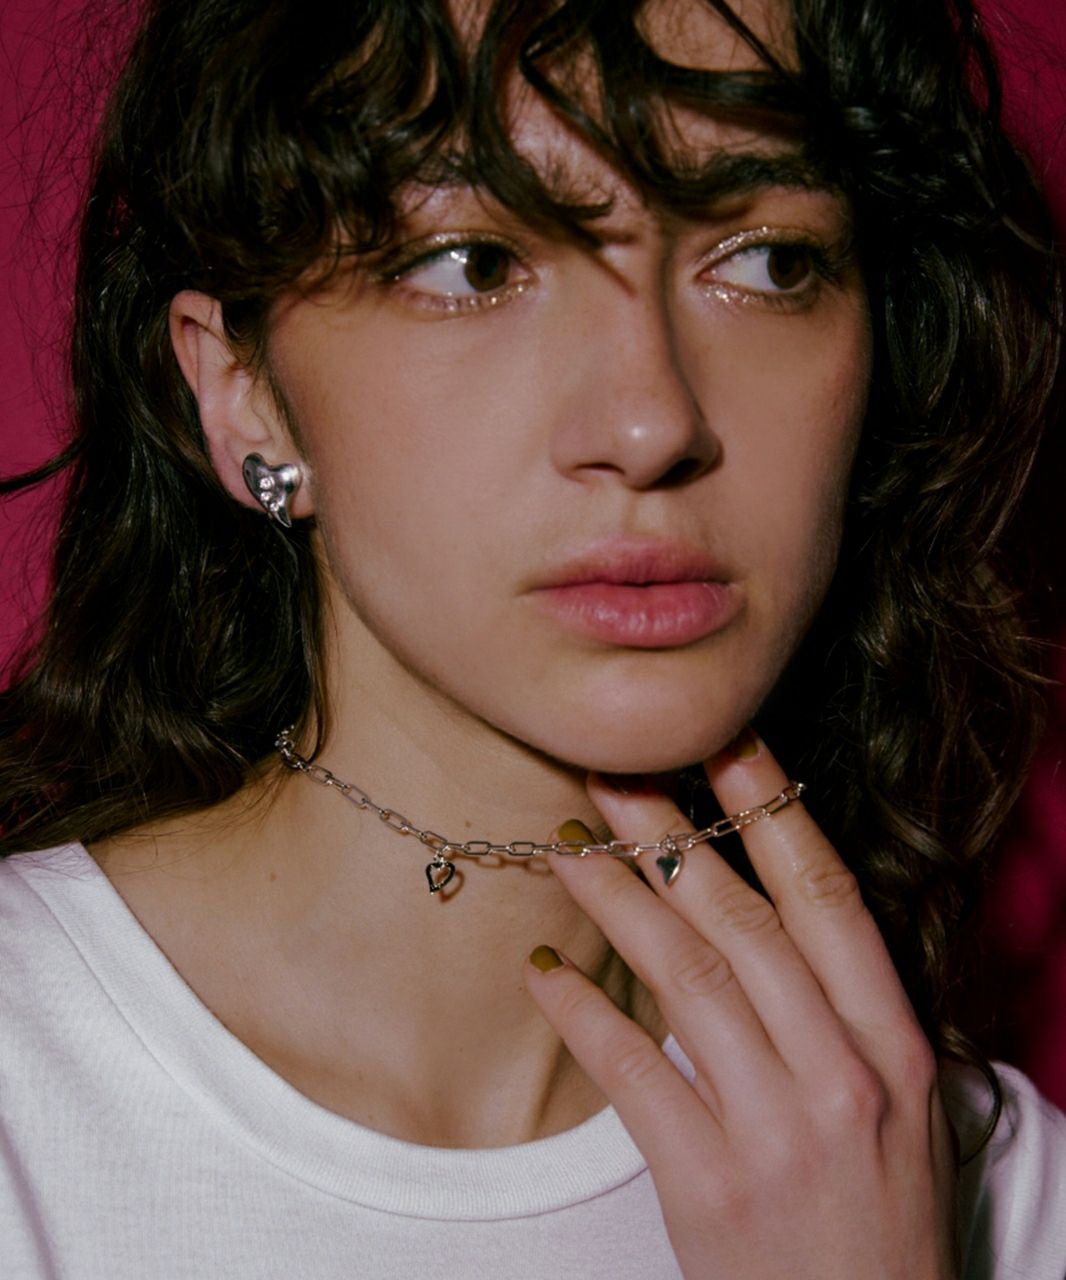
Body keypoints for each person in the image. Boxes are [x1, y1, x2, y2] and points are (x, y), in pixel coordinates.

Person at [1, 0, 1064, 1275]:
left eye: (771, 262)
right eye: (472, 265)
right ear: (242, 393)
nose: (650, 423)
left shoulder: (989, 1185)